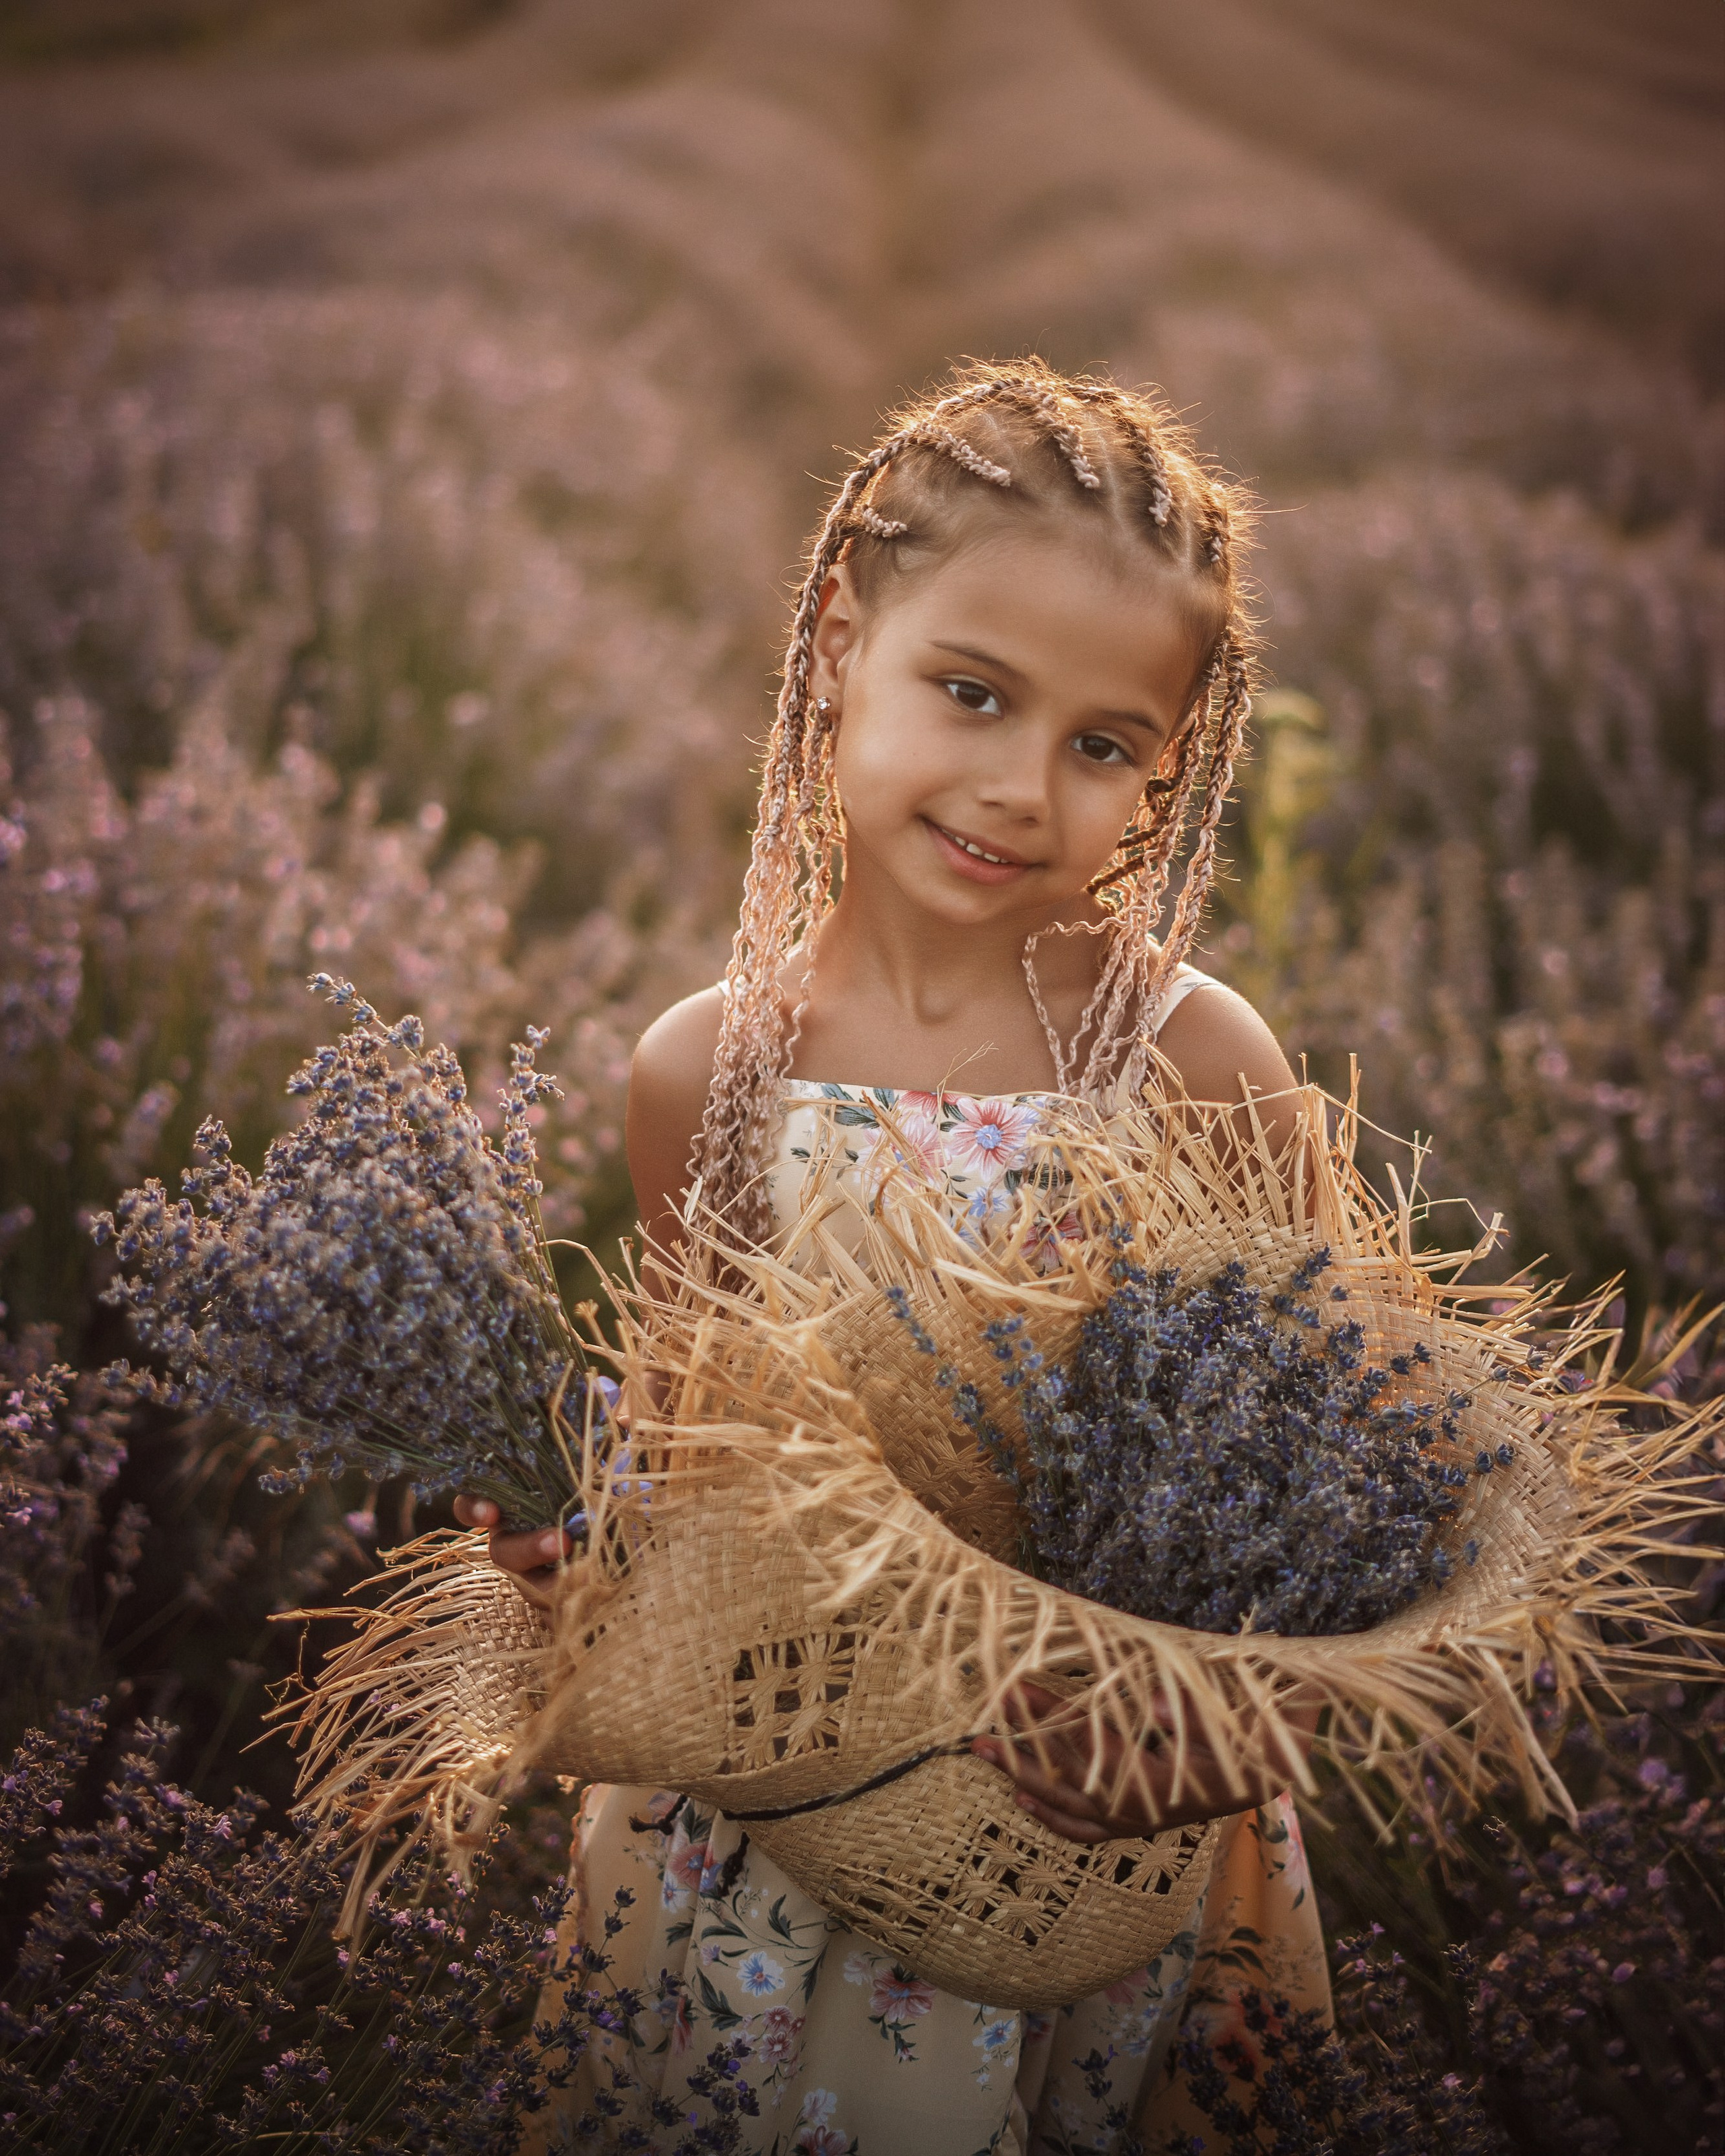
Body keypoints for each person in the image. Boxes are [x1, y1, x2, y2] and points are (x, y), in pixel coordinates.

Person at [459, 360, 1331, 2153]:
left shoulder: (1196, 1064)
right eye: (973, 694)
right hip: (777, 1820)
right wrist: (573, 1568)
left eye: (1103, 747)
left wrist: (1201, 1716)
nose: (1020, 788)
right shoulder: (710, 1074)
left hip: (1091, 1825)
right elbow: (696, 1474)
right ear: (843, 639)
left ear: (1170, 774)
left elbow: (1327, 1482)